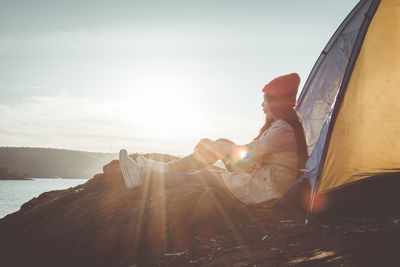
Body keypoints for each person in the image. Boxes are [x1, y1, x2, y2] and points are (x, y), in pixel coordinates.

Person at [119, 73, 308, 208]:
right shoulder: (281, 126)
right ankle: (160, 169)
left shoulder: (283, 129)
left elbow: (250, 154)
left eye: (265, 100)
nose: (262, 105)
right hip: (264, 177)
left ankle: (145, 176)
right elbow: (252, 153)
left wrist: (214, 146)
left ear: (276, 103)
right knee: (217, 149)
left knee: (208, 174)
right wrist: (216, 146)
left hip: (267, 188)